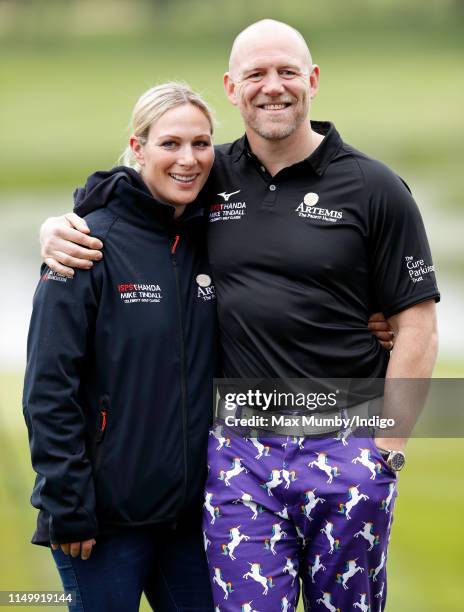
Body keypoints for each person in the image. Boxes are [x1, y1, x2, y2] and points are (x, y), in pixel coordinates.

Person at [37, 19, 440, 611]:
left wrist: (389, 447)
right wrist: (59, 227)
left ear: (313, 80)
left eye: (287, 72)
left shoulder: (374, 187)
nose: (272, 87)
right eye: (256, 74)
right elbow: (129, 190)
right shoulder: (209, 173)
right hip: (238, 457)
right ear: (232, 87)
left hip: (348, 447)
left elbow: (418, 324)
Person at [23, 82, 218, 612]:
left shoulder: (213, 240)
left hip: (191, 521)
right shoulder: (85, 244)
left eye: (202, 144)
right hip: (101, 524)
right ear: (137, 148)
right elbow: (47, 388)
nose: (188, 159)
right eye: (170, 144)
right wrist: (68, 506)